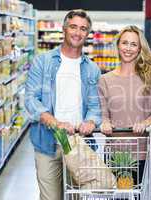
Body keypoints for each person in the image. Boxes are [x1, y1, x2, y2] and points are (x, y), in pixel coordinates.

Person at [24, 10, 101, 200]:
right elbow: (31, 99)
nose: (78, 32)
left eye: (83, 29)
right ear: (64, 29)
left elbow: (95, 105)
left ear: (88, 33)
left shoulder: (92, 68)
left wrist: (91, 121)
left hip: (79, 144)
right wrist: (54, 122)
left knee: (78, 196)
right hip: (47, 143)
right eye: (73, 27)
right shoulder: (43, 62)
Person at [98, 25, 151, 199]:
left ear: (140, 48)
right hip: (116, 156)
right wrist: (104, 122)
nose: (128, 48)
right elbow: (104, 113)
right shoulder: (105, 80)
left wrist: (145, 122)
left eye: (133, 44)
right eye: (124, 43)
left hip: (145, 153)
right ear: (118, 45)